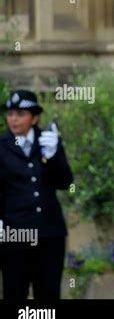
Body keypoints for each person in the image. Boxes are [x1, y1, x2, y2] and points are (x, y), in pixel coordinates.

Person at [0, 90, 73, 300]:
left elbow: (65, 182)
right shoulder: (2, 145)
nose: (13, 119)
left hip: (49, 233)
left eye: (20, 113)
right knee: (14, 292)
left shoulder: (48, 140)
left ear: (34, 117)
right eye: (10, 113)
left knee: (49, 294)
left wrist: (53, 156)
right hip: (15, 235)